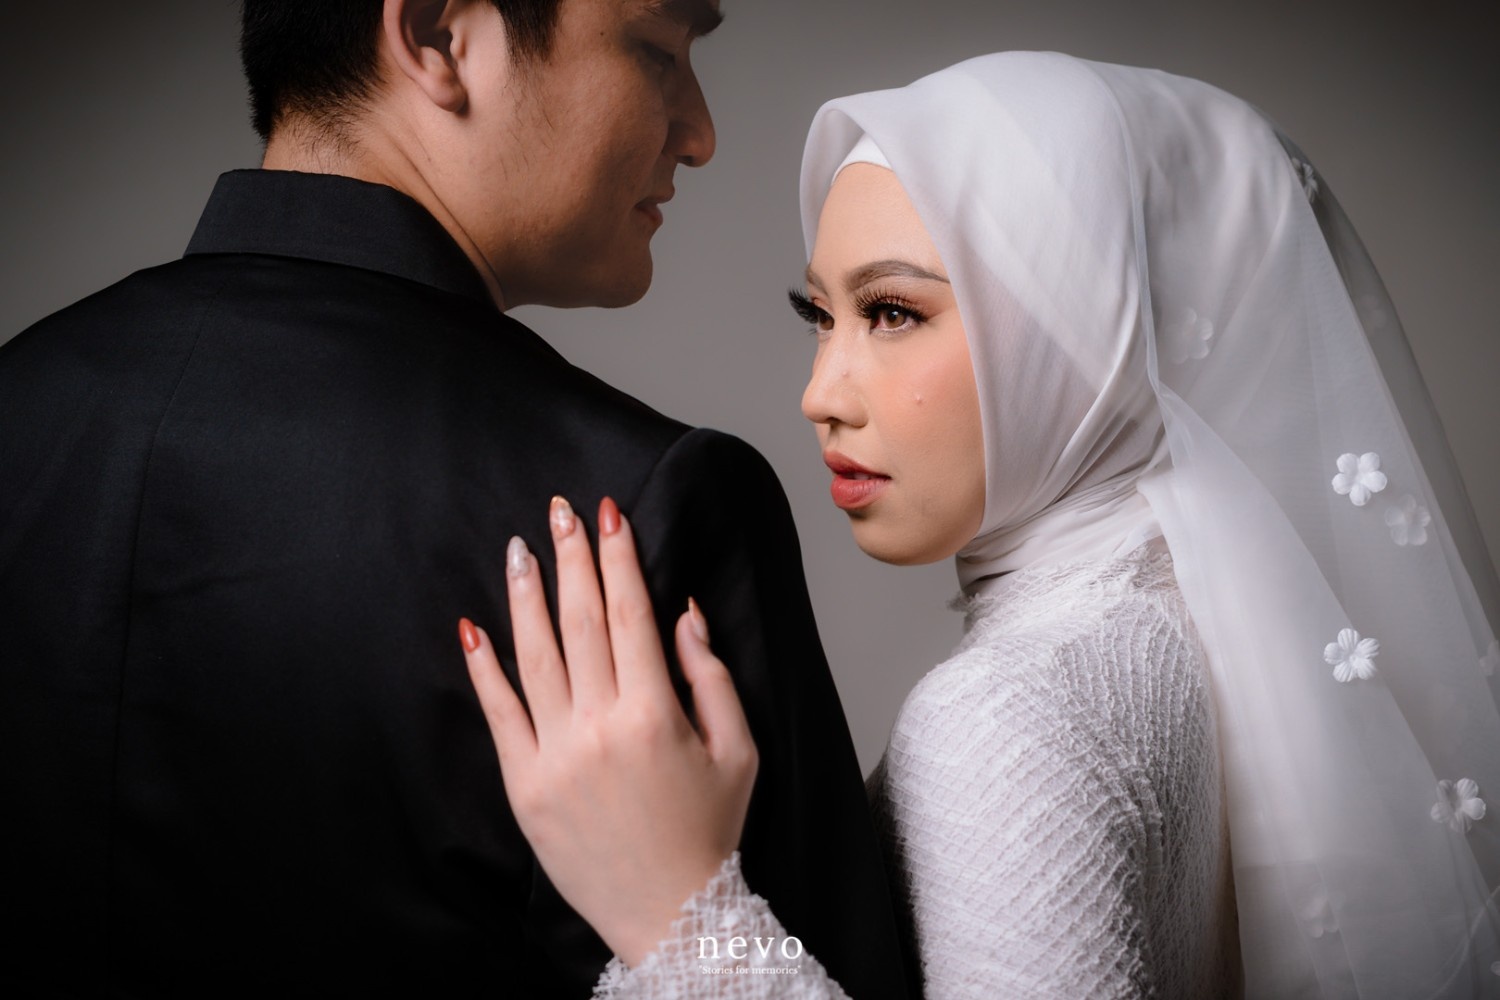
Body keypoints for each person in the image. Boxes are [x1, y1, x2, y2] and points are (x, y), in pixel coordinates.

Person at [463, 52, 1500, 998]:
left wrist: (684, 921)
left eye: (893, 312)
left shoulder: (1008, 714)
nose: (821, 393)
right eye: (821, 315)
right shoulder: (1216, 618)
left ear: (1085, 330)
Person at [0, 1, 910, 996]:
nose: (699, 132)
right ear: (438, 35)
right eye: (657, 49)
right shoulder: (640, 504)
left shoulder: (23, 396)